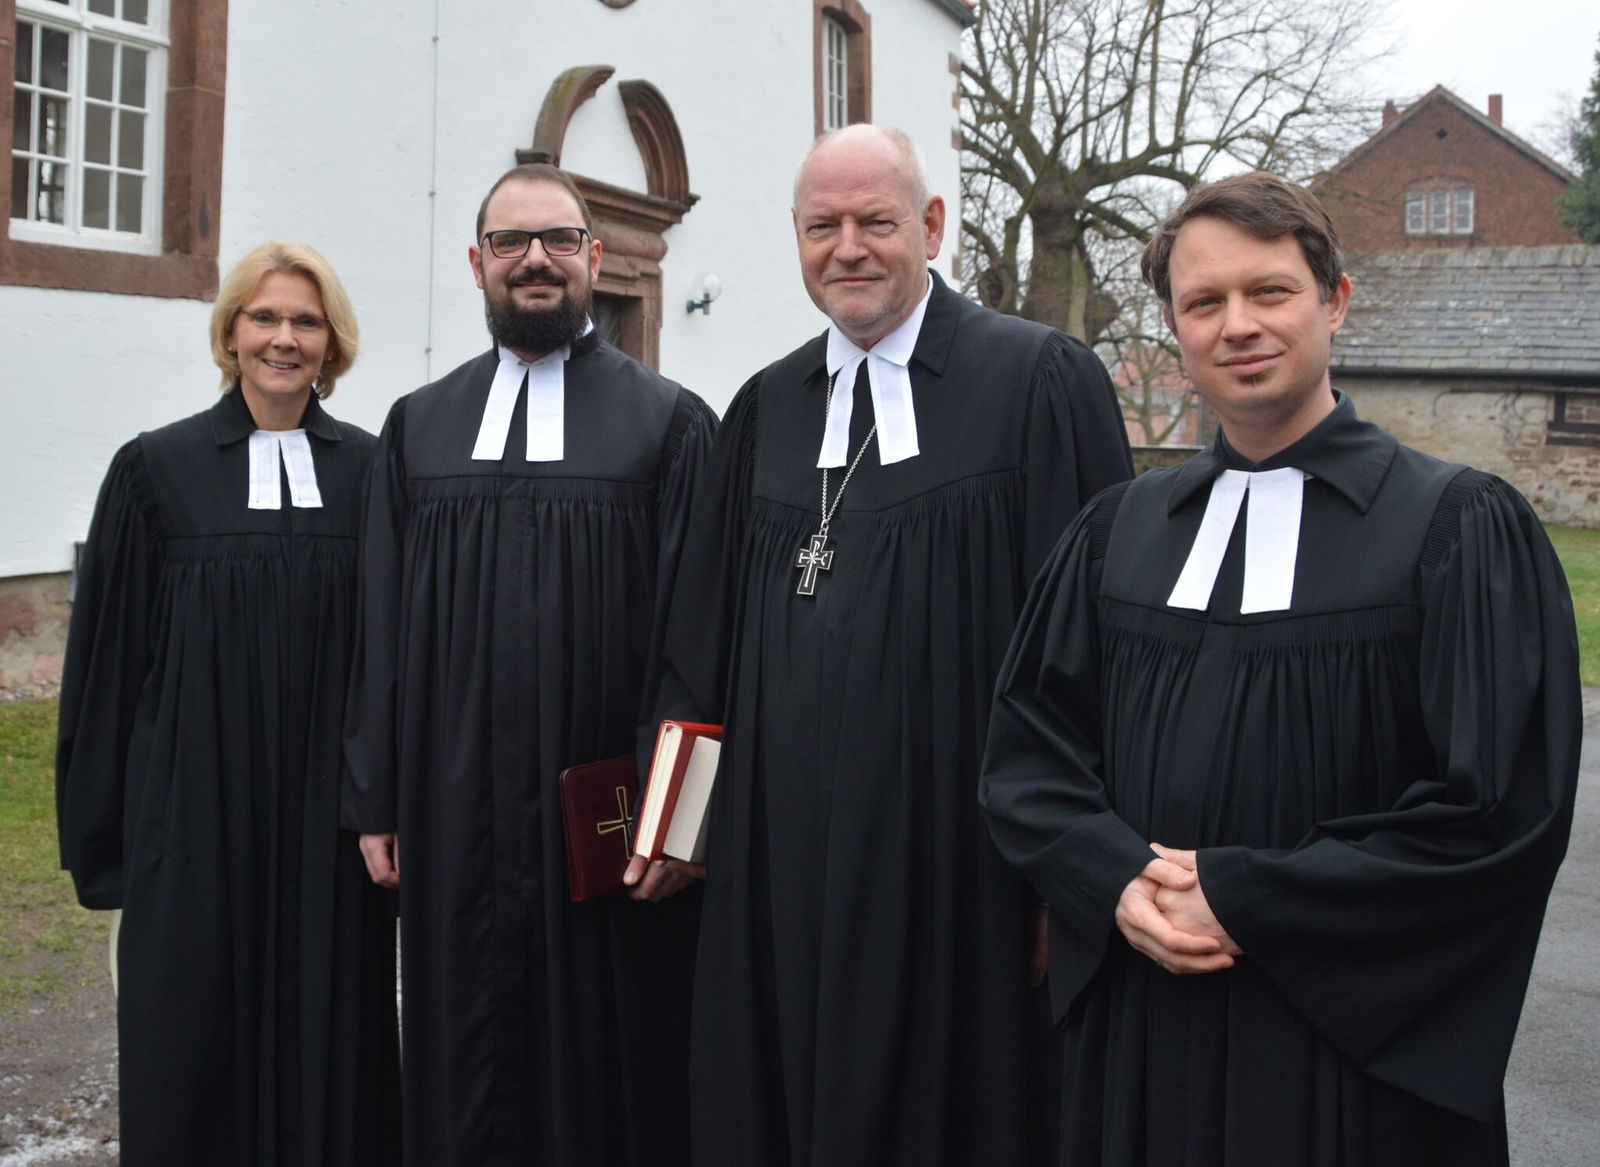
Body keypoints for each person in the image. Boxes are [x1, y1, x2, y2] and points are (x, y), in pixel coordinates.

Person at [979, 171, 1581, 1166]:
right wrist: (1113, 878)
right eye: (1202, 303)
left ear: (1333, 301)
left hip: (1345, 1061)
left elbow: (1499, 809)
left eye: (1269, 292)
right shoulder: (1114, 532)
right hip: (1143, 1035)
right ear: (1174, 336)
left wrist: (1248, 897)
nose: (1237, 325)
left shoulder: (1455, 528)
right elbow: (1026, 755)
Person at [639, 124, 1132, 1166]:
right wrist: (678, 832)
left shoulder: (1039, 381)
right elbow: (700, 649)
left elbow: (1101, 659)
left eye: (877, 222)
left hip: (963, 875)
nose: (849, 248)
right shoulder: (766, 409)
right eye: (825, 226)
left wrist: (1071, 883)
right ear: (796, 237)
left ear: (933, 226)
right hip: (777, 871)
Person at [341, 163, 717, 1166]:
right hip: (451, 802)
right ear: (477, 264)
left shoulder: (671, 425)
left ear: (594, 258)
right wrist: (376, 795)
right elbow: (379, 626)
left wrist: (678, 822)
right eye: (511, 243)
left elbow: (700, 641)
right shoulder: (418, 428)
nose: (535, 260)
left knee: (614, 1054)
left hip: (607, 820)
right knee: (463, 1045)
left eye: (557, 239)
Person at [56, 242, 400, 1166]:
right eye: (265, 317)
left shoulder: (375, 475)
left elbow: (395, 658)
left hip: (326, 830)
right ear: (231, 332)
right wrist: (109, 835)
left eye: (306, 321)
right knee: (193, 1044)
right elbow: (107, 662)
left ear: (332, 344)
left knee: (328, 1043)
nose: (284, 339)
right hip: (195, 816)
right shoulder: (154, 472)